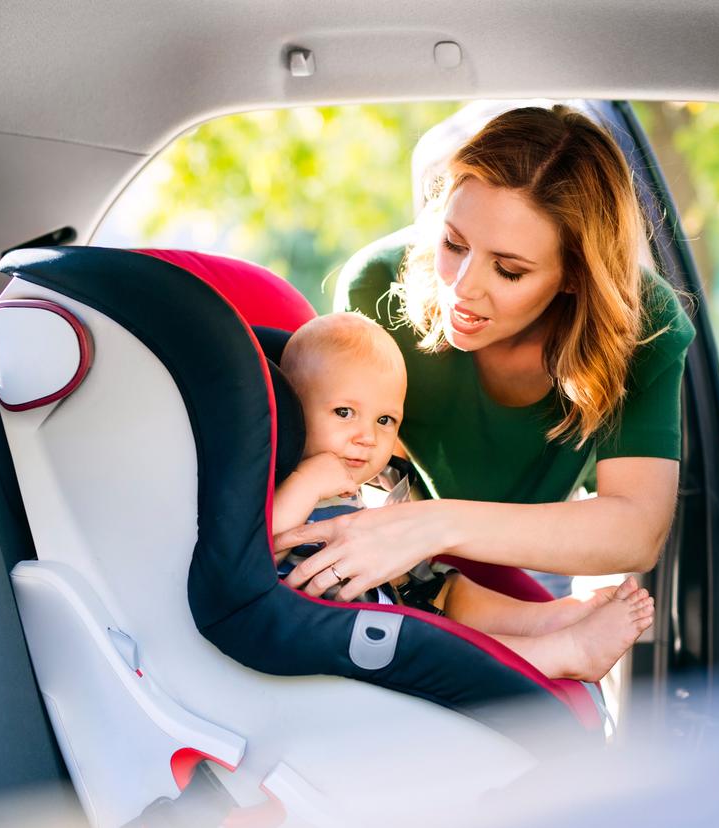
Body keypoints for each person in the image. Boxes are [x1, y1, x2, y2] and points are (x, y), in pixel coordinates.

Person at [275, 105, 695, 612]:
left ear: (574, 275)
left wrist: (431, 527)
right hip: (400, 527)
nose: (461, 287)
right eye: (454, 243)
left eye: (510, 271)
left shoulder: (643, 324)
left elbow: (635, 530)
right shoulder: (377, 287)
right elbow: (347, 460)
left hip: (543, 541)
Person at [274, 311, 655, 682]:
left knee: (446, 586)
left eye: (384, 420)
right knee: (432, 641)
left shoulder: (365, 482)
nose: (367, 437)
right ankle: (564, 652)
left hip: (391, 600)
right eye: (344, 412)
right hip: (352, 633)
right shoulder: (280, 477)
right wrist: (307, 482)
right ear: (292, 408)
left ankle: (546, 619)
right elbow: (252, 552)